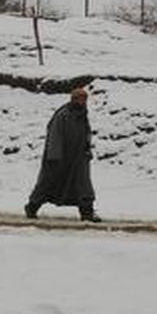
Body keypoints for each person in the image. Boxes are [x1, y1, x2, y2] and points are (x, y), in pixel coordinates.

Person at [25, 86, 99, 222]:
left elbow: (86, 133)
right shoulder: (63, 115)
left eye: (85, 99)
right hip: (60, 158)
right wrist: (54, 156)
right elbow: (55, 135)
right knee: (48, 183)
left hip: (78, 157)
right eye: (80, 99)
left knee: (83, 185)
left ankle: (87, 212)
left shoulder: (83, 114)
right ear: (74, 99)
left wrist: (87, 149)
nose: (83, 102)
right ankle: (32, 206)